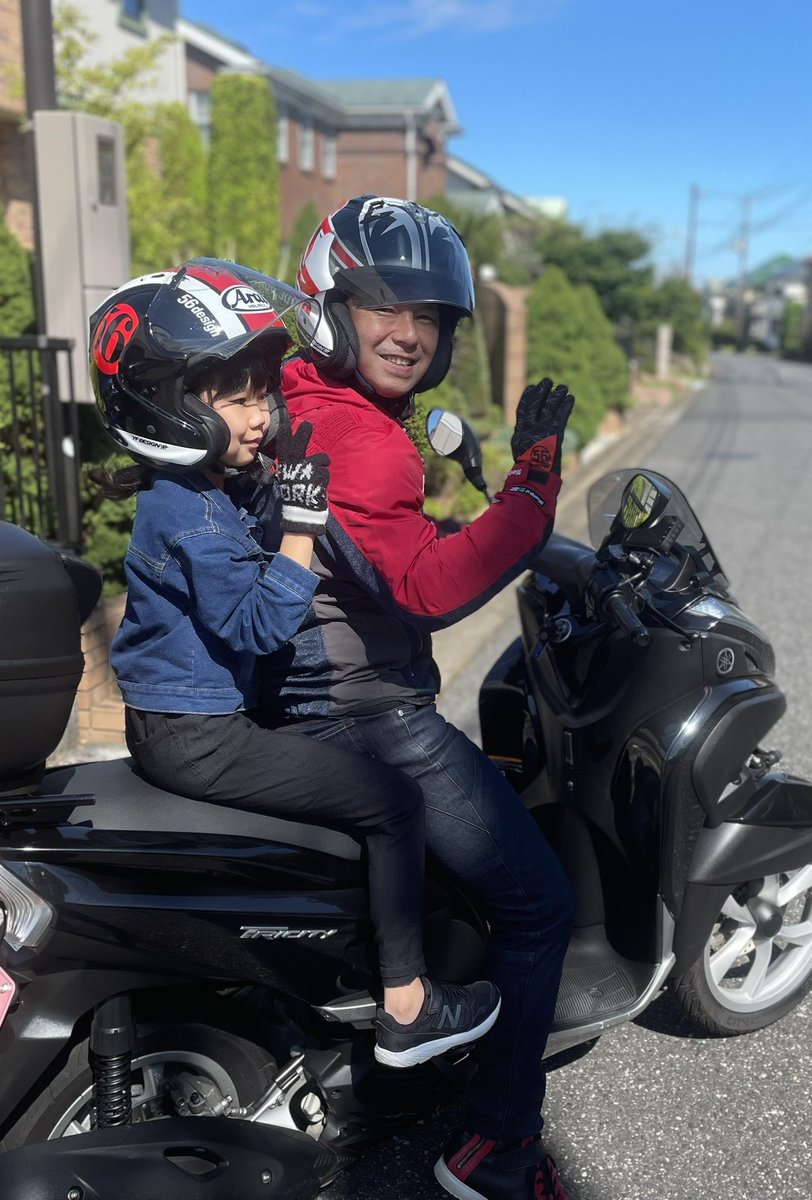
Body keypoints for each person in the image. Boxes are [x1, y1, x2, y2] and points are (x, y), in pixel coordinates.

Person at [88, 259, 500, 1069]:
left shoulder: (200, 488)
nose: (262, 414)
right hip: (198, 736)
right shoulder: (189, 514)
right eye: (237, 397)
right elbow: (256, 624)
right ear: (166, 405)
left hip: (193, 723)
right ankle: (410, 1007)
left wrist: (300, 497)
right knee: (390, 803)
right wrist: (302, 531)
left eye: (263, 392)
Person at [256, 196, 578, 1200]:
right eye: (385, 307)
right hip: (367, 708)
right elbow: (428, 589)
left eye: (430, 317)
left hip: (296, 686)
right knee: (539, 907)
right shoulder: (362, 437)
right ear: (330, 302)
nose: (410, 333)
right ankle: (502, 1144)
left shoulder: (293, 397)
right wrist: (533, 479)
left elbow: (378, 541)